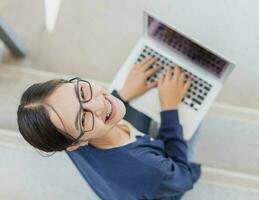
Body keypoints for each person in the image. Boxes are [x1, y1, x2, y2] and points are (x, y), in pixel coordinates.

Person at [17, 57, 201, 200]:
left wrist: (121, 94)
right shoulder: (148, 167)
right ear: (75, 144)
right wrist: (169, 109)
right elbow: (183, 178)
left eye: (81, 92)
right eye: (82, 118)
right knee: (191, 117)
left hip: (123, 186)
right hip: (160, 182)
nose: (99, 104)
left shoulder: (63, 133)